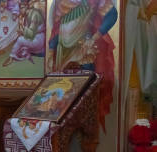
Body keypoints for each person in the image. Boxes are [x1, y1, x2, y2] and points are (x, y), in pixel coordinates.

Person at [48, 0, 118, 130]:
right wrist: (51, 50)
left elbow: (112, 14)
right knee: (62, 94)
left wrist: (94, 37)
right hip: (63, 53)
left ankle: (86, 126)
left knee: (86, 93)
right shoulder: (60, 3)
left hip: (83, 50)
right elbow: (57, 28)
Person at [2, 0, 46, 67]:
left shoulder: (34, 15)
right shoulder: (27, 15)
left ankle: (11, 57)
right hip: (34, 37)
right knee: (20, 46)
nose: (20, 10)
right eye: (20, 8)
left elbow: (31, 34)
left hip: (39, 39)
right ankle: (24, 53)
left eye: (22, 8)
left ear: (26, 7)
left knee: (20, 40)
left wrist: (22, 30)